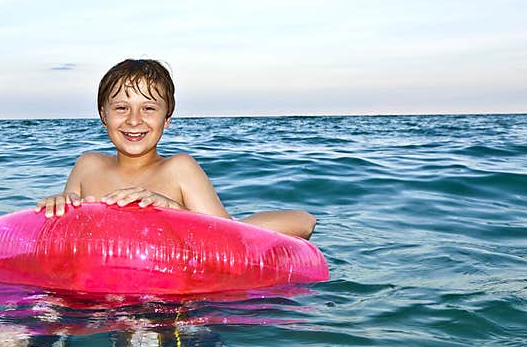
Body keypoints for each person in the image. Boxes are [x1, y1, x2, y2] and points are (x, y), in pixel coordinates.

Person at [35, 58, 317, 239]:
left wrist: (176, 211)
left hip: (170, 303)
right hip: (99, 295)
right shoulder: (88, 165)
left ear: (167, 118)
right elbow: (65, 235)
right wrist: (58, 205)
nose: (134, 120)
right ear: (103, 115)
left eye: (148, 108)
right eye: (121, 108)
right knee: (10, 330)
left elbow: (233, 234)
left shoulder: (178, 169)